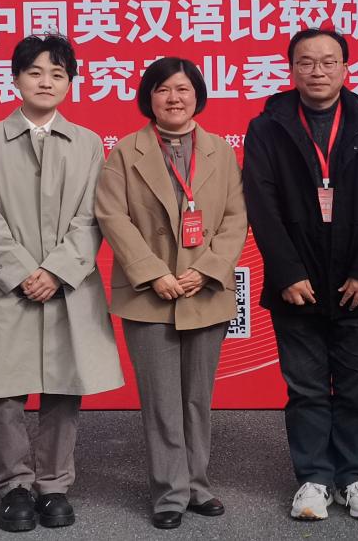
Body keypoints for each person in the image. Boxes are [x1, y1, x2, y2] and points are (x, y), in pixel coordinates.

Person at [0, 34, 124, 533]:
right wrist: (23, 272)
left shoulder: (88, 143)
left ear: (70, 83)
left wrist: (57, 271)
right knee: (1, 388)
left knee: (64, 387)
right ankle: (14, 486)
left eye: (58, 74)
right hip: (2, 284)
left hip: (67, 284)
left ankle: (53, 485)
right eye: (35, 72)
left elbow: (94, 216)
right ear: (15, 78)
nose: (46, 82)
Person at [241, 28, 358, 522]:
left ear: (345, 69)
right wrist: (286, 272)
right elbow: (261, 204)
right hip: (297, 283)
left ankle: (355, 477)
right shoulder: (267, 127)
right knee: (306, 388)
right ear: (291, 69)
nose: (318, 71)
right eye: (307, 62)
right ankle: (313, 478)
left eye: (328, 61)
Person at [94, 57, 250, 530]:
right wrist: (152, 273)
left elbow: (235, 218)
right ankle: (169, 492)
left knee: (197, 397)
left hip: (205, 291)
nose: (174, 98)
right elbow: (112, 216)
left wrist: (206, 270)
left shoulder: (221, 151)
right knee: (161, 399)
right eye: (163, 90)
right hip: (149, 295)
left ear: (197, 95)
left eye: (183, 89)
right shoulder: (125, 152)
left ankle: (198, 485)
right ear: (149, 98)